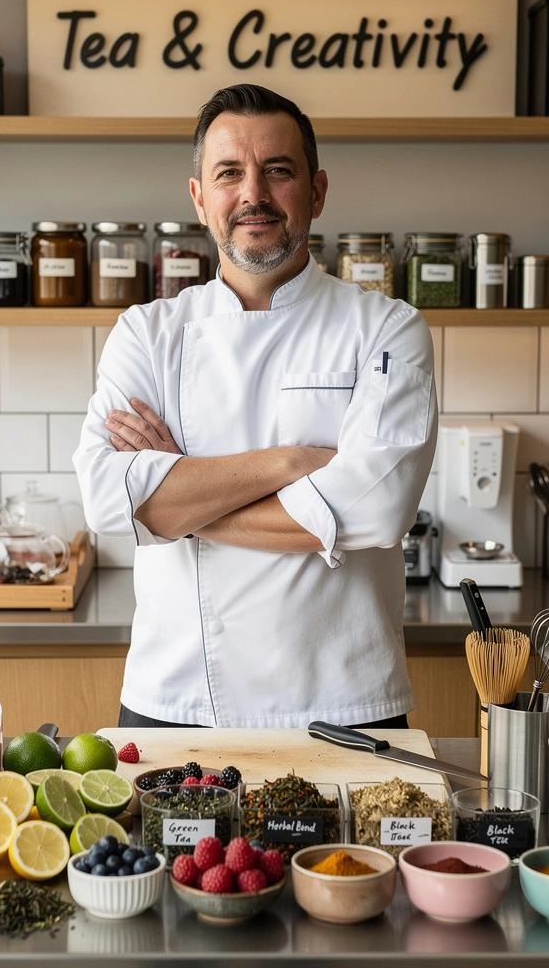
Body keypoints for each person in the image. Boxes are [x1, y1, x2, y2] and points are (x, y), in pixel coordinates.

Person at [74, 83, 437, 729]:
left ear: (317, 191)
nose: (253, 195)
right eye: (229, 174)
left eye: (278, 170)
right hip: (178, 699)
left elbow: (377, 510)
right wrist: (290, 461)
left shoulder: (386, 329)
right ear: (199, 197)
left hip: (344, 702)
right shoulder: (148, 334)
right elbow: (109, 501)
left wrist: (176, 501)